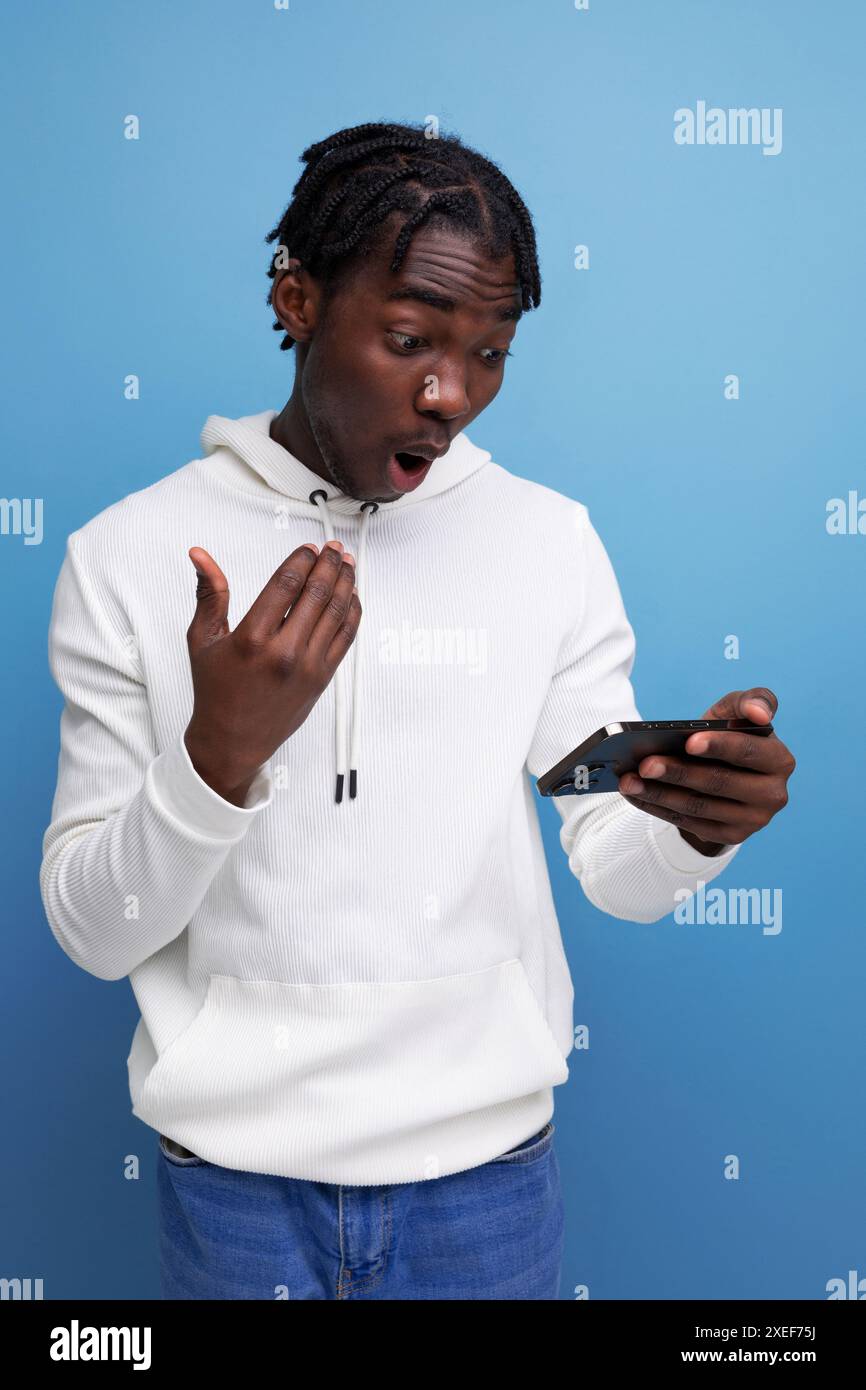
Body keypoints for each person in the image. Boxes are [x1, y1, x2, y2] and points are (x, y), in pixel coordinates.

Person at [39, 120, 795, 1301]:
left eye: (487, 352)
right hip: (235, 1188)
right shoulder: (124, 555)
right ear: (295, 298)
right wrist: (215, 756)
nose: (449, 396)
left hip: (483, 1188)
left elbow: (608, 853)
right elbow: (95, 932)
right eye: (407, 341)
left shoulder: (544, 544)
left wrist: (694, 823)